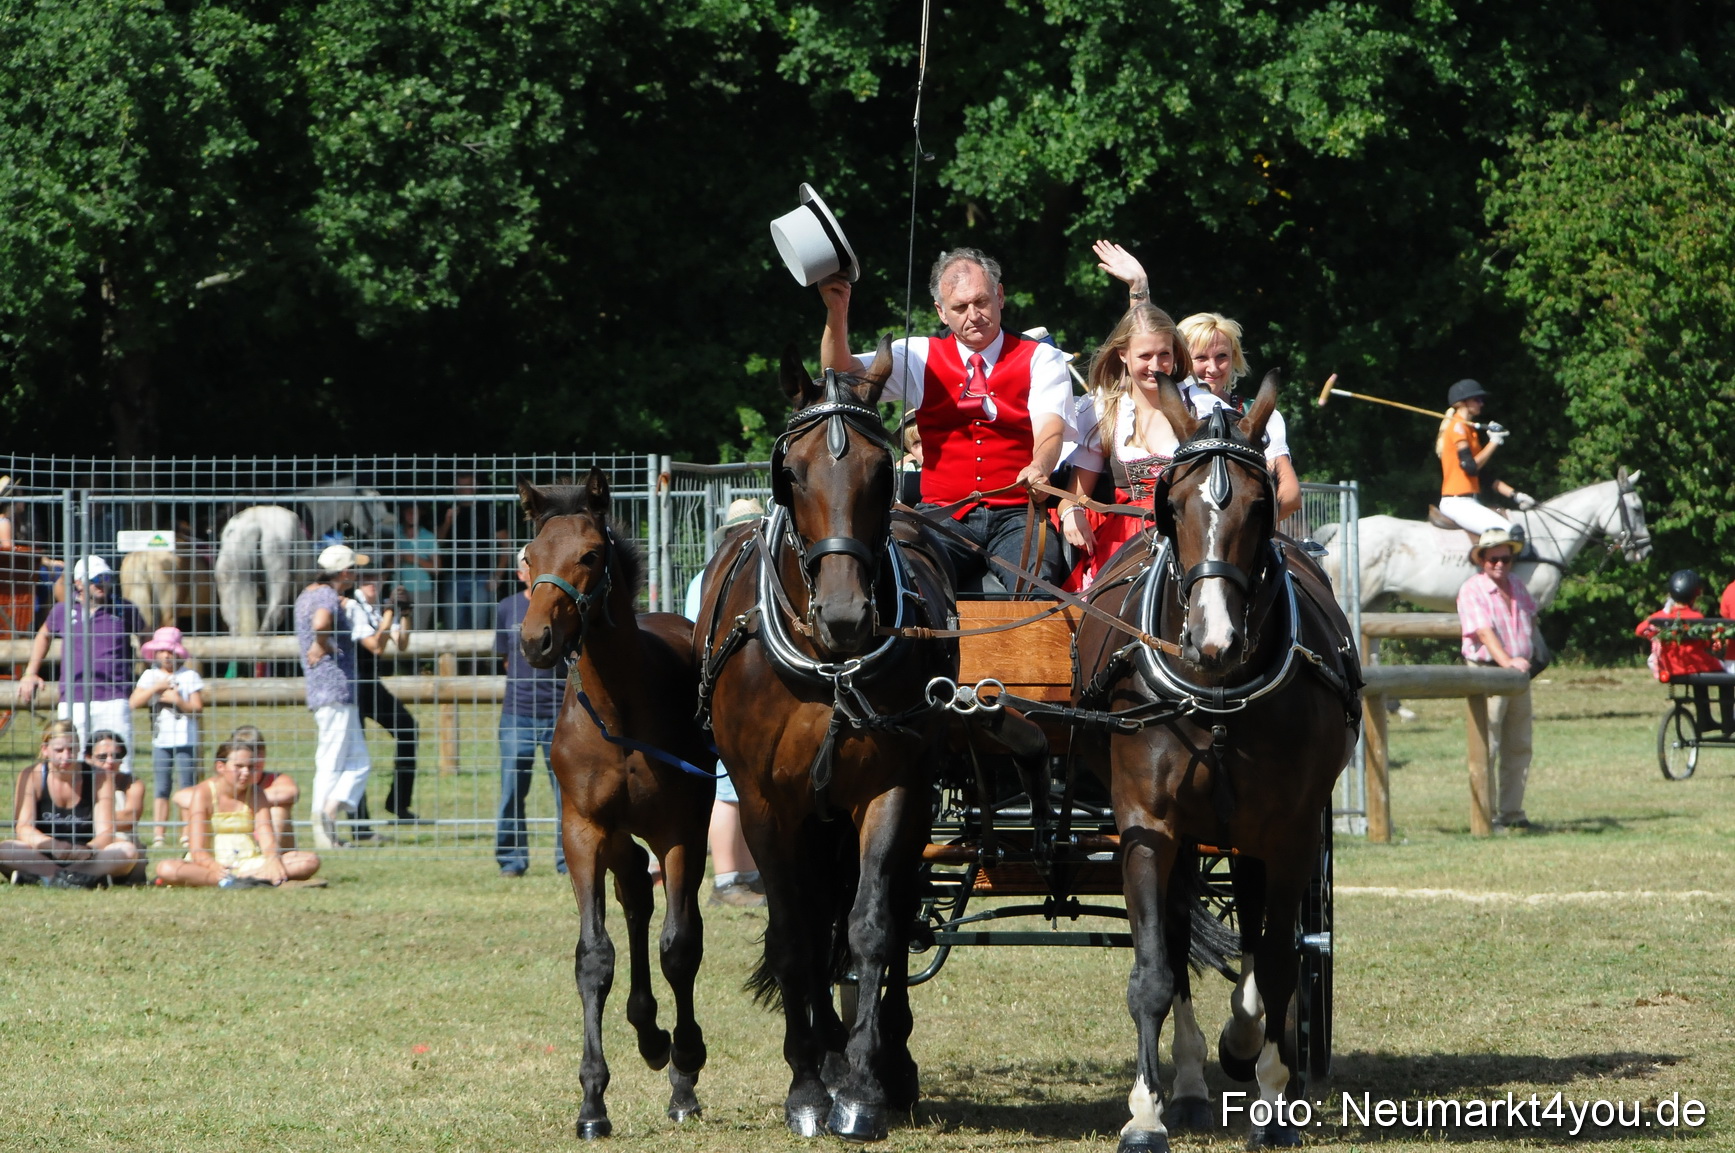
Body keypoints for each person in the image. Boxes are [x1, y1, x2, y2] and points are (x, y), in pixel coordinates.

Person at [818, 248, 1071, 589]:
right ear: (941, 312)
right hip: (942, 518)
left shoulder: (1042, 357)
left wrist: (1041, 464)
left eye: (981, 301)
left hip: (1018, 514)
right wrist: (837, 310)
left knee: (1036, 590)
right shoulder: (920, 356)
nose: (974, 315)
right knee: (903, 586)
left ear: (999, 296)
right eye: (960, 307)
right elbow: (840, 373)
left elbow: (1050, 427)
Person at [1092, 241, 1302, 520]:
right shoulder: (1146, 402)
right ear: (1181, 359)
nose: (1212, 368)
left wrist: (1242, 531)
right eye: (1200, 357)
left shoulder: (1256, 414)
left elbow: (1290, 495)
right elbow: (1142, 342)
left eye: (1222, 356)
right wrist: (1138, 289)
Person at [1057, 304, 1188, 590]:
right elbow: (1074, 496)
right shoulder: (1104, 411)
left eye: (1164, 354)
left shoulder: (1198, 407)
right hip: (1126, 540)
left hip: (1186, 534)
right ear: (1123, 355)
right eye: (1145, 355)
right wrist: (1071, 513)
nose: (1155, 366)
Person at [684, 500, 766, 907]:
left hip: (744, 693)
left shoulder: (713, 575)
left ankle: (748, 875)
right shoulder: (709, 579)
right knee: (729, 785)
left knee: (744, 786)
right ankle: (726, 879)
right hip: (724, 694)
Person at [15, 555, 147, 773]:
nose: (102, 583)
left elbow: (146, 637)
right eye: (96, 579)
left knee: (119, 764)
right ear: (78, 583)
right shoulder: (62, 611)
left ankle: (119, 805)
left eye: (106, 578)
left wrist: (154, 668)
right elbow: (43, 636)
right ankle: (80, 805)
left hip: (115, 698)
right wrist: (30, 672)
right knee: (72, 763)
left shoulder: (124, 609)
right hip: (73, 699)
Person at [1456, 528, 1538, 830]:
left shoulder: (1517, 585)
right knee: (1487, 745)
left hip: (1517, 673)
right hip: (1490, 671)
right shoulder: (1472, 589)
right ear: (1482, 560)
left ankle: (1513, 813)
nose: (1500, 564)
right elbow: (1483, 632)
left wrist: (1528, 660)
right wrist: (1507, 663)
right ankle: (1486, 817)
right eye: (1493, 559)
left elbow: (1530, 620)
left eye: (1505, 558)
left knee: (1519, 744)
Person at [155, 741, 320, 887]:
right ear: (220, 767)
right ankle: (240, 880)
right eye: (239, 767)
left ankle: (240, 879)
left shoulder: (257, 794)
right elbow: (198, 849)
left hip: (250, 863)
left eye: (250, 767)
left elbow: (267, 838)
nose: (246, 772)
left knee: (310, 861)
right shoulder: (203, 793)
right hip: (211, 865)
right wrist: (215, 868)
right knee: (167, 868)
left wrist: (272, 859)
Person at [0, 719, 142, 886]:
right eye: (59, 750)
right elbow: (23, 828)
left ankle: (49, 878)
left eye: (71, 750)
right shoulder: (32, 775)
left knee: (128, 851)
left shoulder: (100, 777)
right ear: (45, 750)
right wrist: (54, 846)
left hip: (86, 856)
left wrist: (88, 850)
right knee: (5, 849)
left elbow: (107, 831)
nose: (66, 757)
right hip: (43, 853)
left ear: (79, 750)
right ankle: (78, 879)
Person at [495, 547, 566, 877]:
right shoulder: (506, 607)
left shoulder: (560, 605)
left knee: (567, 792)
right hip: (516, 714)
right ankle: (511, 860)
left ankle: (568, 860)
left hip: (559, 714)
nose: (531, 570)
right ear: (520, 573)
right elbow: (506, 659)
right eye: (527, 565)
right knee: (512, 789)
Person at [295, 544, 371, 849]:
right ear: (344, 572)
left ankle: (327, 816)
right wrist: (322, 642)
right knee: (331, 761)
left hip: (327, 690)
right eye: (353, 568)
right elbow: (321, 622)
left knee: (358, 761)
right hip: (334, 688)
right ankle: (323, 827)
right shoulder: (326, 595)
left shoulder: (306, 594)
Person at [348, 577, 420, 823]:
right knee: (356, 749)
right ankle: (358, 818)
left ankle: (399, 804)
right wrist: (390, 611)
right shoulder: (353, 607)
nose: (373, 584)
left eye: (376, 578)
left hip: (371, 684)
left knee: (408, 729)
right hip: (352, 686)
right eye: (367, 579)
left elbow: (402, 643)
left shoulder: (375, 610)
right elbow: (377, 646)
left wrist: (406, 613)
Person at [129, 625, 206, 848]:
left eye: (170, 651)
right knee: (162, 787)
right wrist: (156, 688)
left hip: (185, 740)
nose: (166, 656)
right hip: (160, 741)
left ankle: (187, 832)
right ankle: (159, 834)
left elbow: (197, 707)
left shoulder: (189, 676)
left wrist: (178, 701)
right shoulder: (149, 676)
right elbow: (134, 702)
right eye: (161, 651)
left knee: (186, 786)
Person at [1435, 379, 1536, 537]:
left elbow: (1483, 476)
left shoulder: (1470, 431)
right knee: (1512, 533)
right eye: (1477, 399)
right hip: (1457, 503)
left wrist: (1515, 495)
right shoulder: (1458, 428)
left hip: (1469, 501)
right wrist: (1494, 442)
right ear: (1462, 402)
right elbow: (1470, 466)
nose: (1481, 403)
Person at [440, 473, 512, 631]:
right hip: (453, 576)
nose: (464, 490)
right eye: (460, 485)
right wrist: (447, 522)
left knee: (478, 628)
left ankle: (477, 657)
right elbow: (437, 542)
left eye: (468, 485)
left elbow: (506, 544)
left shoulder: (488, 510)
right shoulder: (448, 510)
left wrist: (498, 575)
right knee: (452, 628)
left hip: (482, 577)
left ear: (476, 486)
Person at [1635, 570, 1726, 682]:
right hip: (1698, 666)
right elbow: (1706, 643)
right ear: (1695, 594)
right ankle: (1719, 699)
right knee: (1724, 666)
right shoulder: (1697, 617)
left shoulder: (1661, 616)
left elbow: (1639, 630)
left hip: (1672, 668)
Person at [390, 502, 439, 633]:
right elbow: (385, 566)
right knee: (395, 630)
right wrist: (395, 560)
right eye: (408, 511)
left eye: (415, 512)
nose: (411, 515)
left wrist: (415, 559)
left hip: (422, 590)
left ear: (421, 514)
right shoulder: (393, 534)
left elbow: (437, 569)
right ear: (402, 513)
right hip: (397, 589)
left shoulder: (429, 537)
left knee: (419, 632)